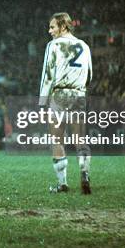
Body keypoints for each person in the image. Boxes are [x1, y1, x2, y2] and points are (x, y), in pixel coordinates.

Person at [39, 12, 93, 194]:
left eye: (52, 27)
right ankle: (84, 174)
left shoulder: (53, 45)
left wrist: (42, 102)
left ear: (63, 26)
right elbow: (90, 75)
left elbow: (47, 75)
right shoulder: (84, 46)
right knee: (80, 139)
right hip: (78, 94)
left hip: (60, 95)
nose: (49, 31)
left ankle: (62, 183)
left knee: (57, 139)